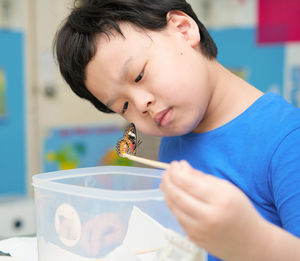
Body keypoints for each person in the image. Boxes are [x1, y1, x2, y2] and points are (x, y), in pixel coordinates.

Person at [53, 0, 300, 260]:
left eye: (138, 75)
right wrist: (128, 232)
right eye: (123, 106)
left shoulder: (287, 140)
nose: (140, 105)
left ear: (183, 29)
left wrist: (251, 240)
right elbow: (180, 238)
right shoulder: (174, 137)